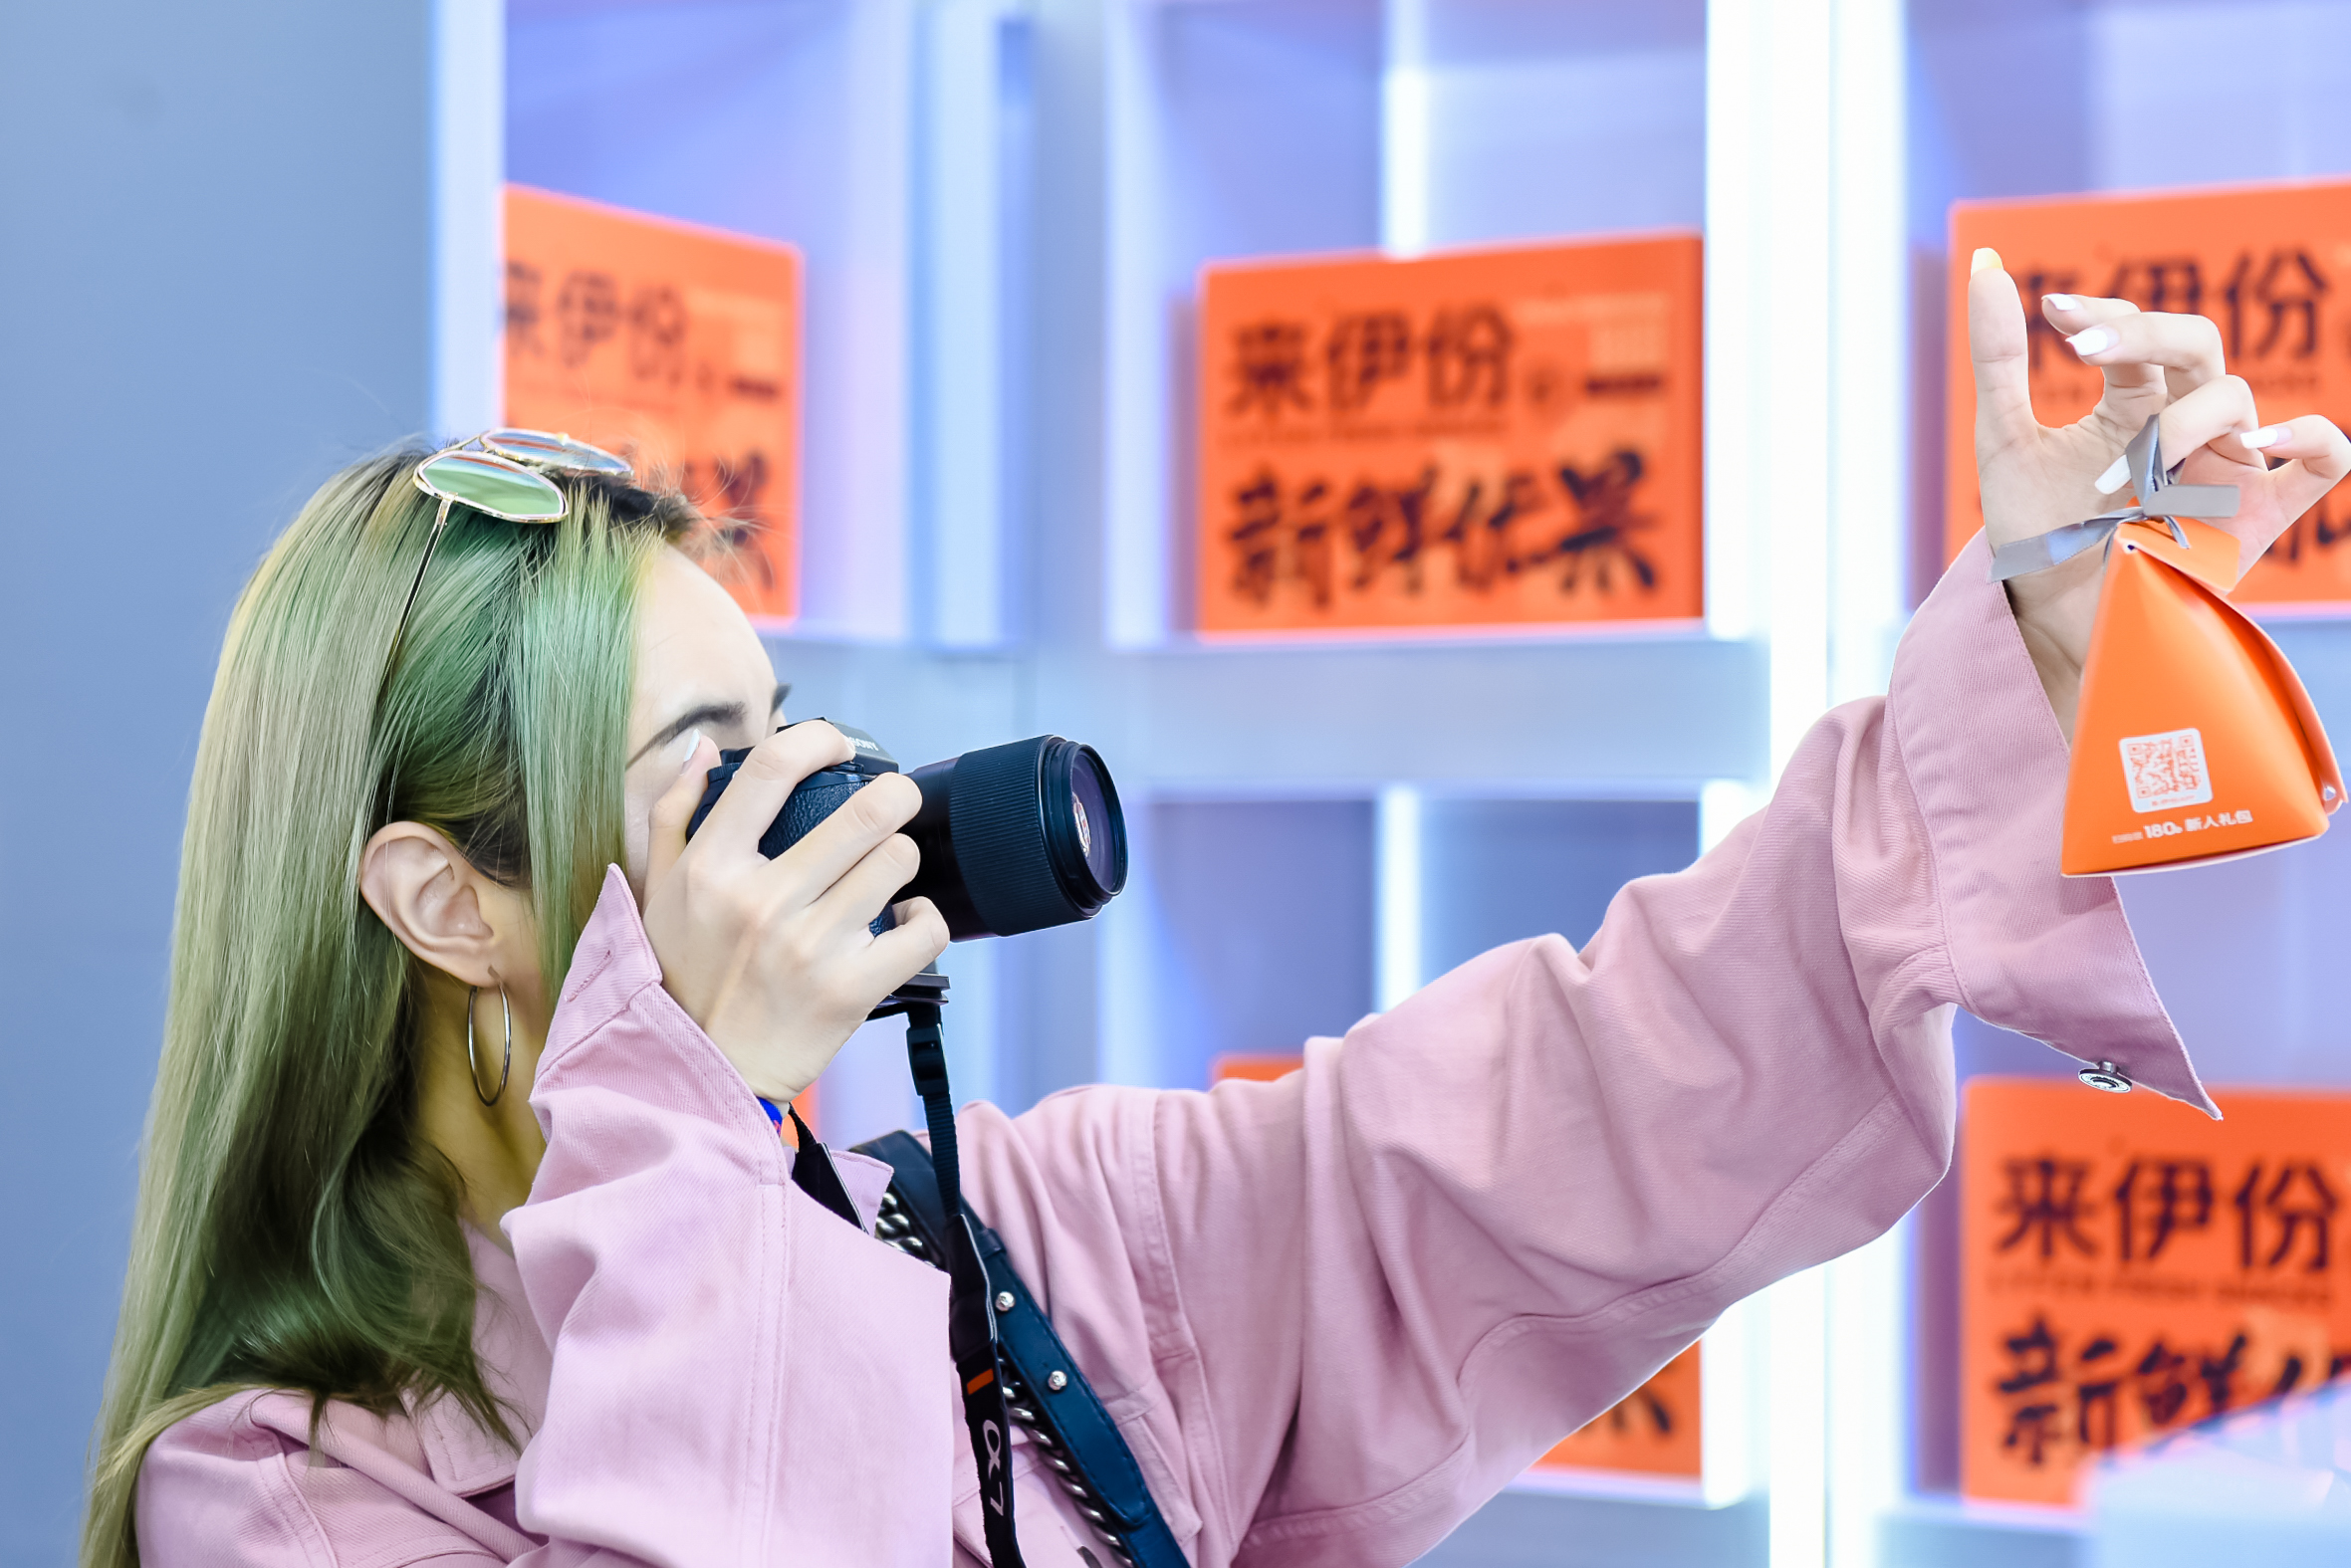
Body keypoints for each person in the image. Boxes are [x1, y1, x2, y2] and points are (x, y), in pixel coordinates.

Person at [84, 259, 2347, 1567]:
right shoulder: (274, 1500)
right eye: (705, 770)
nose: (810, 810)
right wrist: (683, 1117)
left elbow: (1553, 1104)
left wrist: (2028, 661)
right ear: (444, 898)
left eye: (789, 731)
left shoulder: (1008, 1249)